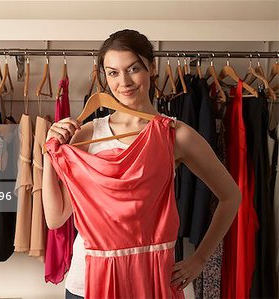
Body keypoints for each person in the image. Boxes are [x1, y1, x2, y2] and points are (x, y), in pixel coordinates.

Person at [42, 29, 241, 299]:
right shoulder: (87, 134)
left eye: (133, 68)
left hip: (152, 279)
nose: (123, 81)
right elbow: (56, 219)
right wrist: (49, 153)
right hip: (87, 282)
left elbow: (231, 197)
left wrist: (199, 260)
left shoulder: (175, 134)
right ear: (104, 77)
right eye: (113, 72)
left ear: (151, 67)